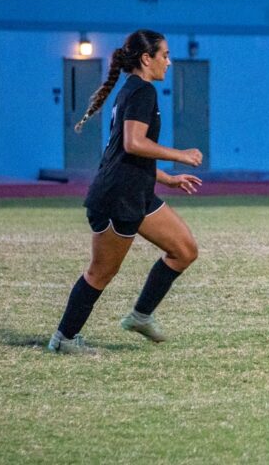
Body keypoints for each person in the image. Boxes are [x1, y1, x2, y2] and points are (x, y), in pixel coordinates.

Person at [47, 30, 203, 354]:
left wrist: (166, 179)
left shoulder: (132, 91)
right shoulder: (141, 91)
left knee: (184, 250)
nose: (169, 62)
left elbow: (123, 153)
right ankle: (63, 338)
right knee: (101, 272)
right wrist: (180, 154)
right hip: (117, 197)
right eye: (165, 55)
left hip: (137, 191)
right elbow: (134, 144)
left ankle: (140, 315)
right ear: (147, 59)